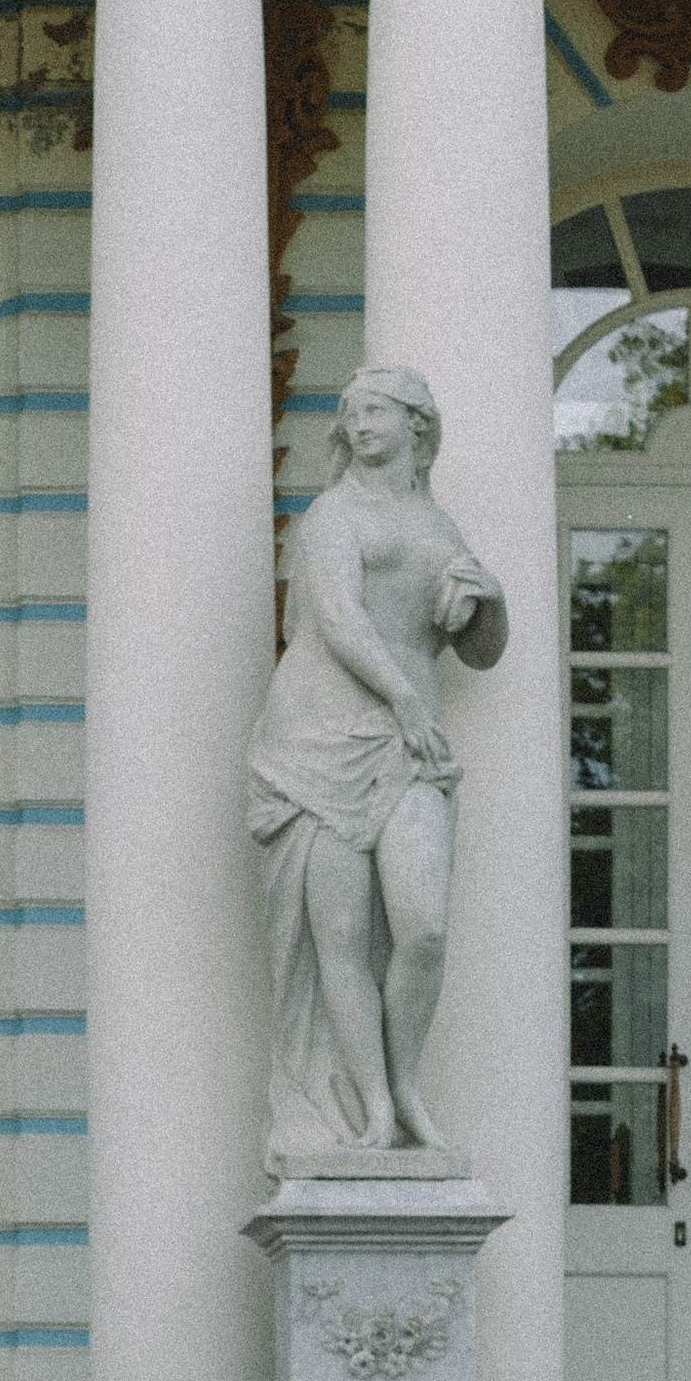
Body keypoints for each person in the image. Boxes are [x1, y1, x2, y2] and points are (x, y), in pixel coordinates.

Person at [247, 360, 507, 1165]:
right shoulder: (332, 514)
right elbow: (336, 620)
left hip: (407, 740)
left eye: (375, 412)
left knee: (423, 925)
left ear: (416, 427)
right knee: (343, 937)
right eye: (350, 412)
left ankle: (405, 1085)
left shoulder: (441, 527)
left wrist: (491, 599)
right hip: (321, 735)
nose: (358, 425)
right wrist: (405, 704)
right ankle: (374, 1113)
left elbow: (482, 654)